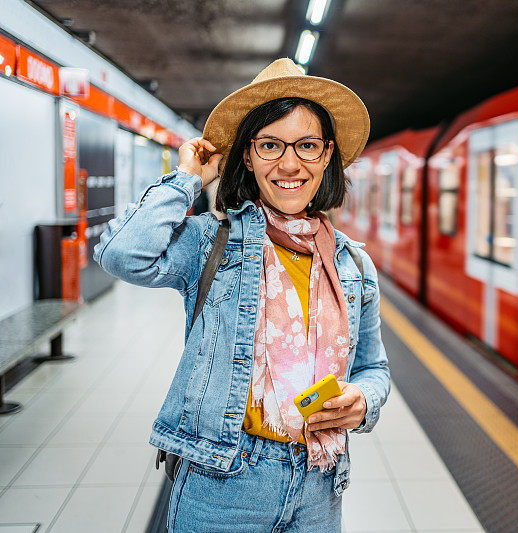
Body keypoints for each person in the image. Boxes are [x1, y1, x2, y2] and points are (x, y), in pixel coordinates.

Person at [93, 58, 390, 532]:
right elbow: (122, 254)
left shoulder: (354, 265)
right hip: (223, 480)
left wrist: (363, 400)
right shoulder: (213, 241)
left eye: (307, 146)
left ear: (328, 155)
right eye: (270, 144)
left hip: (319, 483)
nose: (289, 164)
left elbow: (374, 368)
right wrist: (189, 177)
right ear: (247, 157)